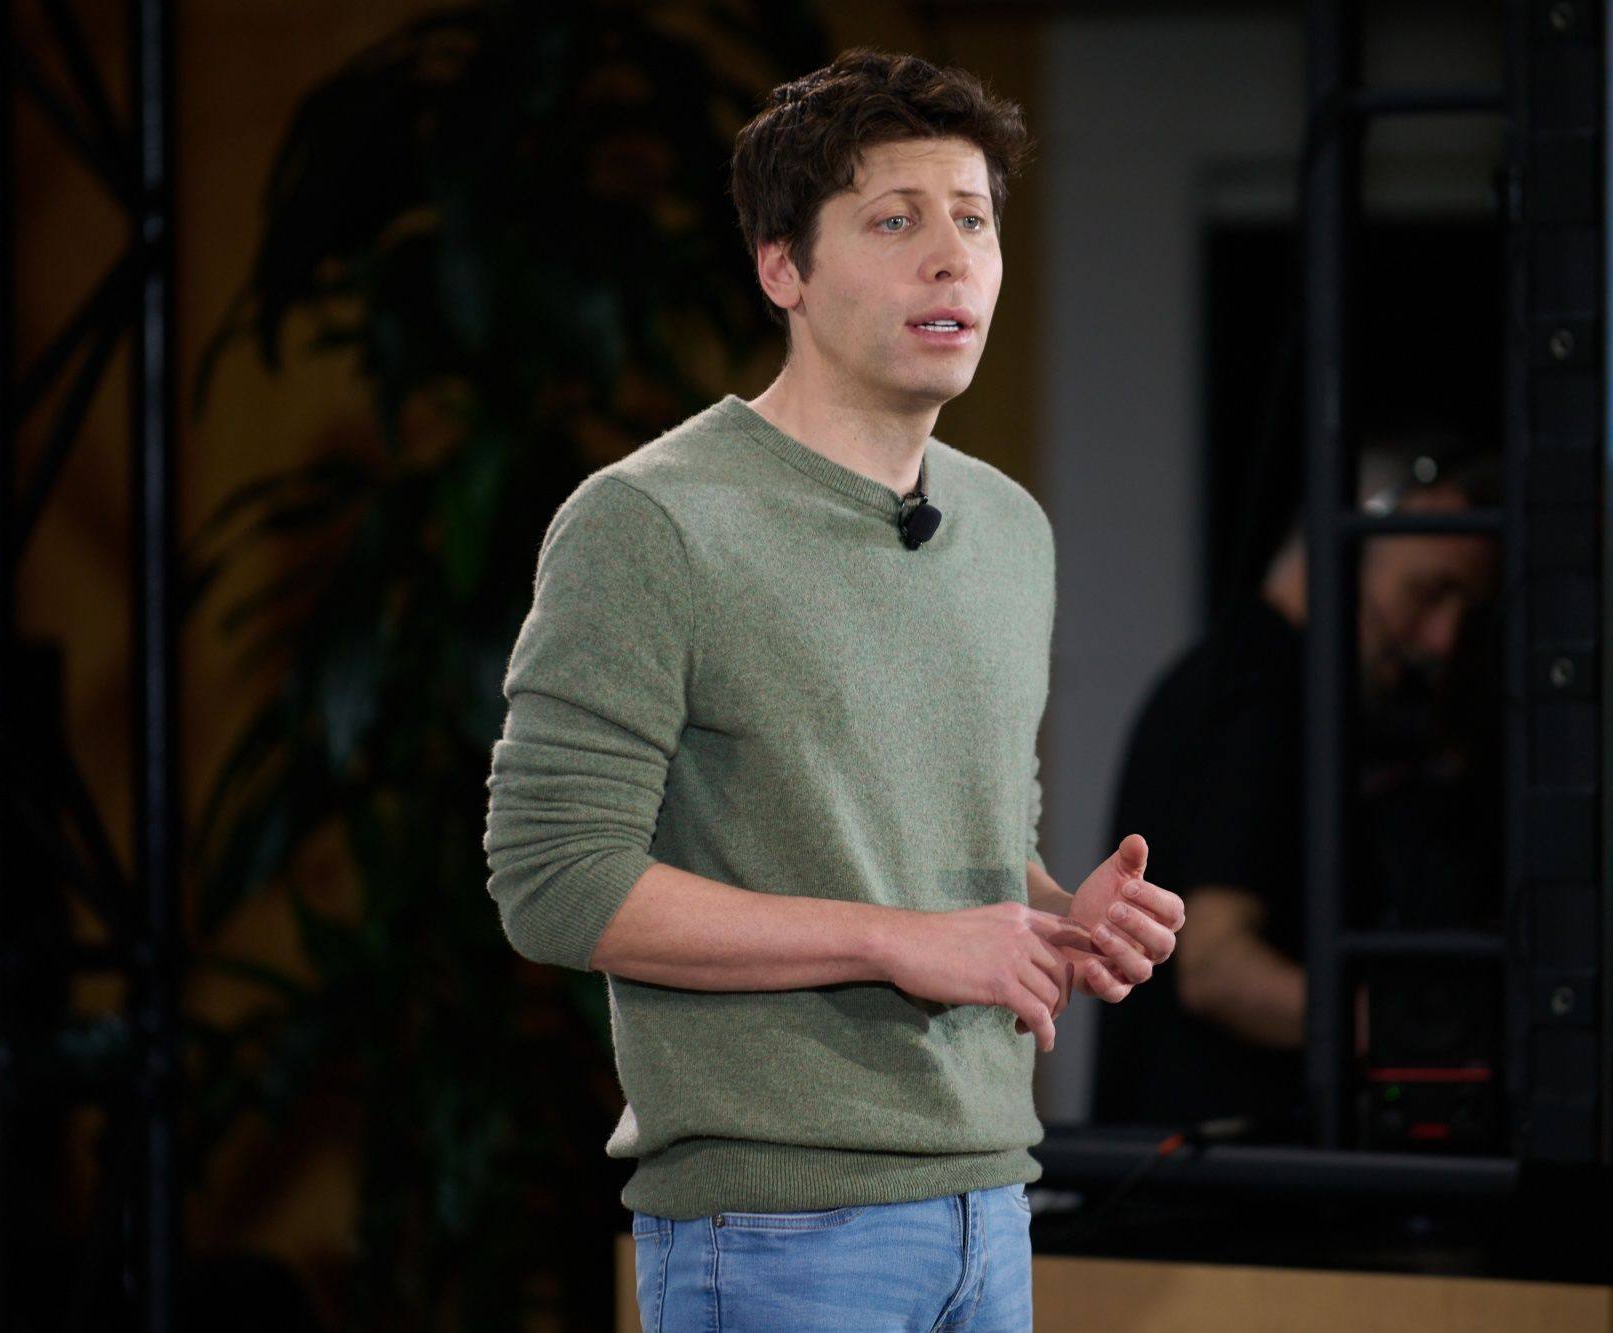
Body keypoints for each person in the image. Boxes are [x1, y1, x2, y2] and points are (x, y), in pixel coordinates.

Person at [481, 49, 1185, 1331]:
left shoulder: (1006, 526)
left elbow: (962, 843)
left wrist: (1047, 912)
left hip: (992, 1205)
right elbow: (553, 880)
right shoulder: (650, 521)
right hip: (771, 1228)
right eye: (893, 220)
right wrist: (895, 939)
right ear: (781, 270)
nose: (950, 257)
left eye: (972, 219)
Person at [1091, 441, 1498, 1138]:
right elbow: (1215, 966)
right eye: (1429, 592)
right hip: (1212, 1200)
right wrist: (1411, 1032)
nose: (1440, 640)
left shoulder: (1226, 669)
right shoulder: (1270, 689)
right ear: (1350, 541)